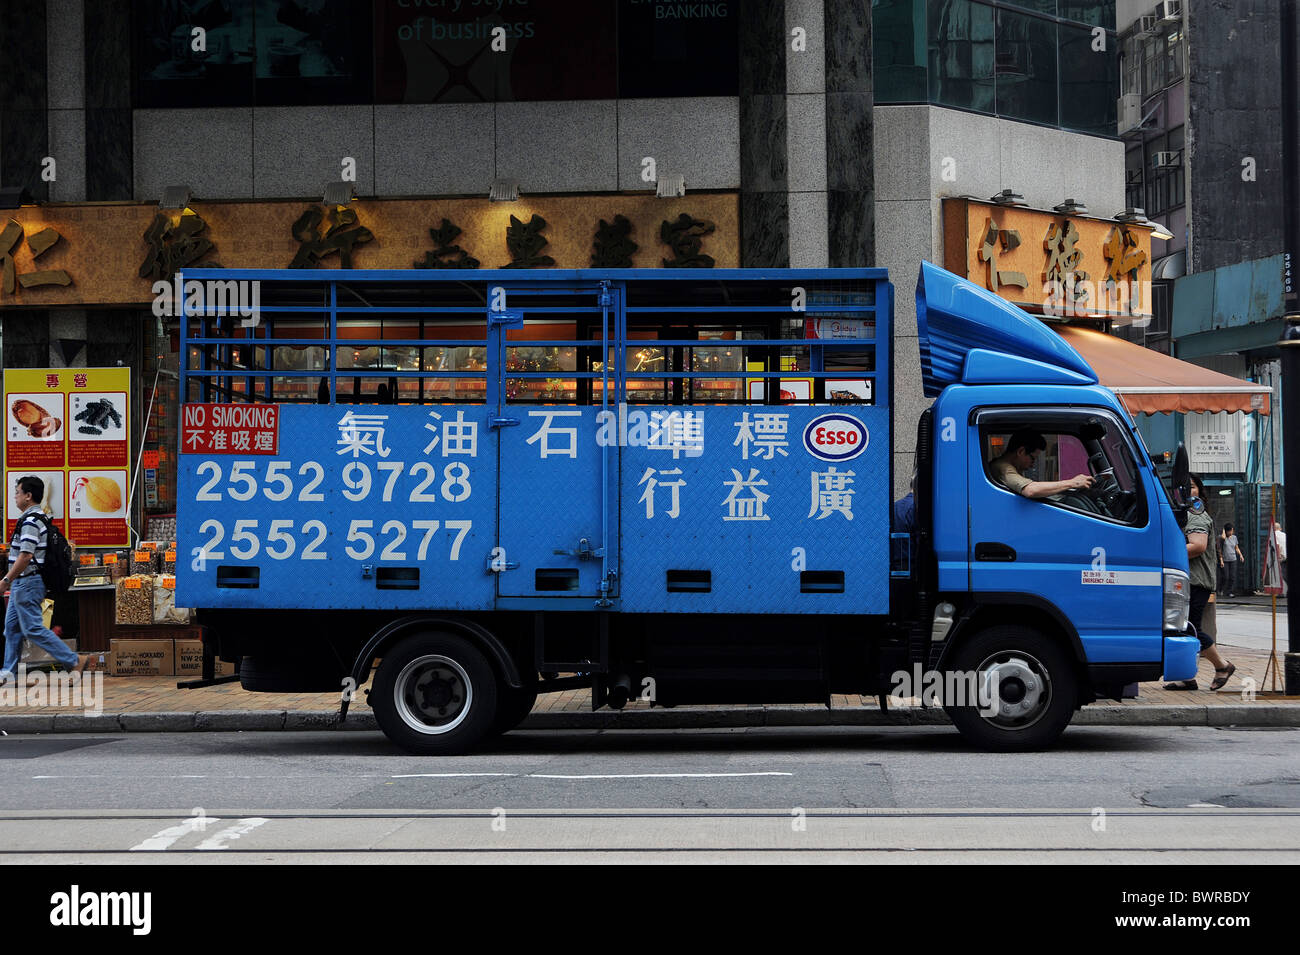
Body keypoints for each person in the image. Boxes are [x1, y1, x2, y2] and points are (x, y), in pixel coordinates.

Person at [1, 476, 89, 684]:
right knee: (12, 628)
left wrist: (6, 579)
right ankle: (9, 672)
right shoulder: (36, 518)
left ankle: (75, 660)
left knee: (32, 628)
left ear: (28, 496)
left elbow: (26, 556)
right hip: (22, 583)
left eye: (17, 492)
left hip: (27, 582)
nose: (15, 497)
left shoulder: (31, 521)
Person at [1164, 474, 1236, 691]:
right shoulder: (1186, 513)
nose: (1188, 490)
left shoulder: (1195, 514)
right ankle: (1187, 676)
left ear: (1200, 491)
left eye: (1192, 487)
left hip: (1196, 580)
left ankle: (1222, 666)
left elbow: (1198, 546)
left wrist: (1166, 553)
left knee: (1189, 628)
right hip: (1189, 580)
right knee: (1181, 627)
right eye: (1184, 486)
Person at [988, 429, 1094, 499]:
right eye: (1033, 459)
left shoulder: (1009, 466)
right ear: (1021, 451)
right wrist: (1072, 483)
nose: (1033, 465)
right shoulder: (1003, 467)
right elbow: (1030, 490)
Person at [1222, 522, 1245, 597]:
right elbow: (1222, 538)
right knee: (1226, 576)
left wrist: (1241, 555)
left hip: (1233, 559)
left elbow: (1236, 548)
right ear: (1227, 531)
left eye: (1232, 530)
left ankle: (1229, 592)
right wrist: (1223, 530)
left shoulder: (1234, 537)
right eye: (1231, 530)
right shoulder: (1222, 538)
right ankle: (1222, 590)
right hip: (1225, 560)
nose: (1232, 532)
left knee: (1232, 577)